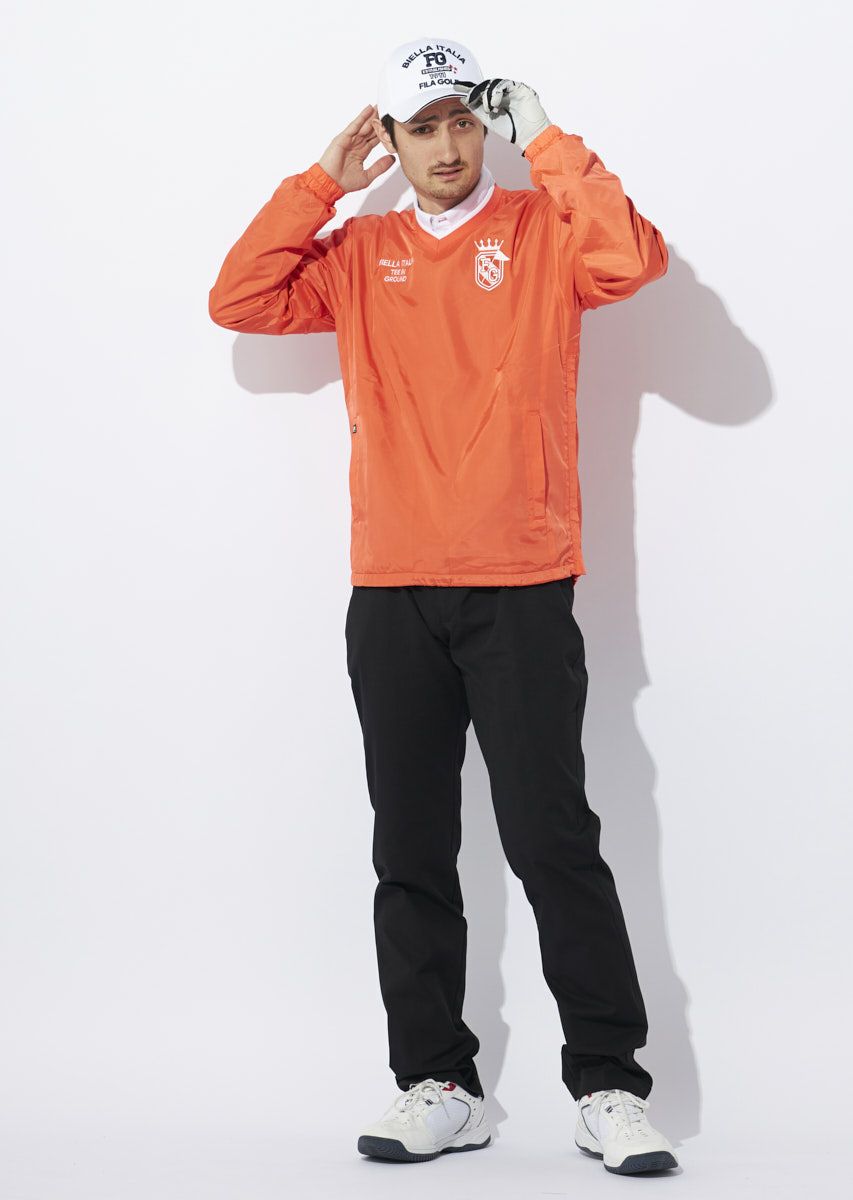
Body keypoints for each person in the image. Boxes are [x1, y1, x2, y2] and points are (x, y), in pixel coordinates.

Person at [208, 35, 677, 1177]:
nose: (448, 145)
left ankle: (608, 1088)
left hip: (519, 584)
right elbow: (239, 297)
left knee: (551, 841)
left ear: (486, 128)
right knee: (410, 848)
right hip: (393, 589)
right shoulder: (359, 252)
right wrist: (321, 181)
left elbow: (630, 260)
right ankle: (438, 1084)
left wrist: (548, 139)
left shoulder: (542, 230)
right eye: (422, 127)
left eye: (465, 120)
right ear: (392, 140)